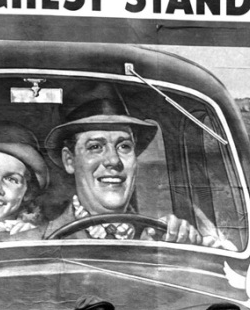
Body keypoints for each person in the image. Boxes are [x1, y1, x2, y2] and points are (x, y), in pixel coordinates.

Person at [41, 98, 234, 248]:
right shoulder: (34, 244)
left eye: (124, 146)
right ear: (69, 160)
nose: (113, 161)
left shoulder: (162, 241)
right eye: (95, 147)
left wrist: (186, 251)